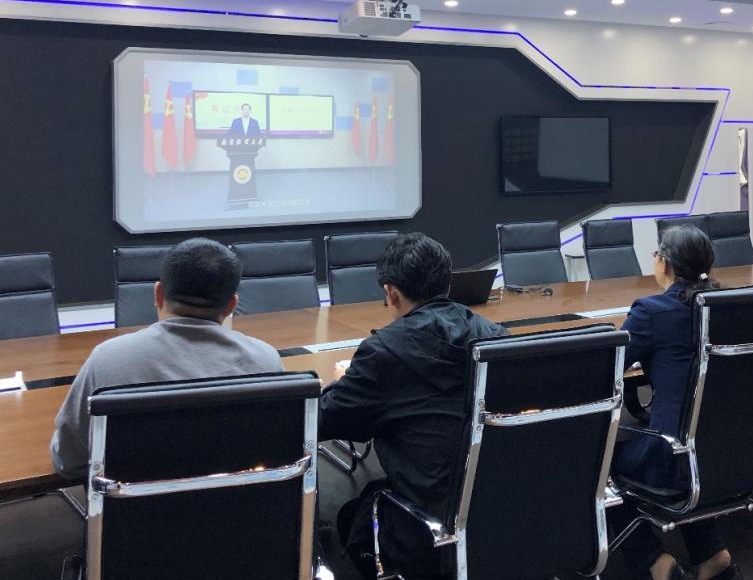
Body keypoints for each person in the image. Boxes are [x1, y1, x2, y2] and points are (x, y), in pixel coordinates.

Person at [318, 232, 506, 579]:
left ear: (391, 292)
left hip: (428, 529)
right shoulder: (496, 337)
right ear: (448, 285)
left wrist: (344, 382)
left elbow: (325, 420)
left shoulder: (384, 353)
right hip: (499, 509)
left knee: (344, 520)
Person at [50, 238, 283, 478]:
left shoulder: (108, 358)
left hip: (138, 501)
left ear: (158, 293)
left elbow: (69, 460)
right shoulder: (266, 360)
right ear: (231, 305)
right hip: (239, 500)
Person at [608, 225, 741, 580]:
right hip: (731, 448)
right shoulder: (730, 306)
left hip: (674, 456)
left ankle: (653, 561)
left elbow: (609, 369)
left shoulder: (651, 311)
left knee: (596, 466)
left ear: (664, 263)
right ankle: (712, 554)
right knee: (690, 437)